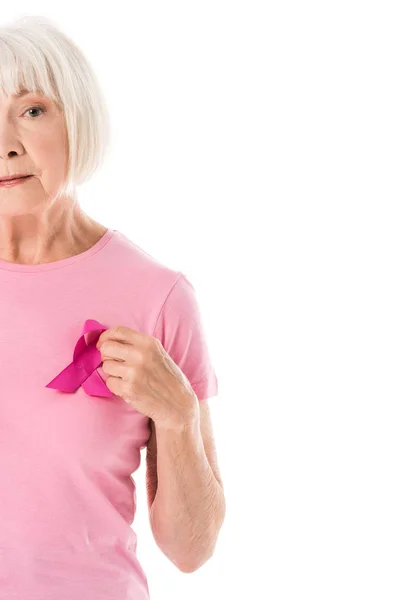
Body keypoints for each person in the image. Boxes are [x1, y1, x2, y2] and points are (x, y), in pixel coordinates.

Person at [0, 15, 225, 600]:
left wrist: (177, 418)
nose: (7, 142)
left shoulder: (158, 295)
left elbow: (191, 550)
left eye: (31, 109)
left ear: (77, 115)